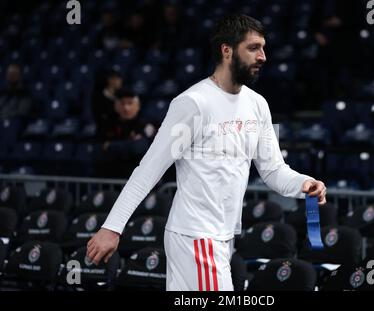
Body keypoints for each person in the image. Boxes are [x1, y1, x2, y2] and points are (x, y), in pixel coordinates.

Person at [87, 14, 326, 291]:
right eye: (253, 48)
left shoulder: (258, 104)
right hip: (196, 237)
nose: (263, 56)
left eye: (263, 48)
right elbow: (149, 169)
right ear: (226, 50)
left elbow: (273, 171)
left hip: (222, 237)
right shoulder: (192, 103)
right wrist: (113, 226)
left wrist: (303, 184)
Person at [94, 88, 156, 178]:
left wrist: (111, 146)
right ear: (116, 106)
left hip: (138, 178)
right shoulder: (107, 124)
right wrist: (129, 145)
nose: (126, 108)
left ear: (138, 106)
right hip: (112, 176)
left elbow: (139, 148)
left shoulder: (145, 124)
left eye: (130, 103)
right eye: (122, 103)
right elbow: (99, 149)